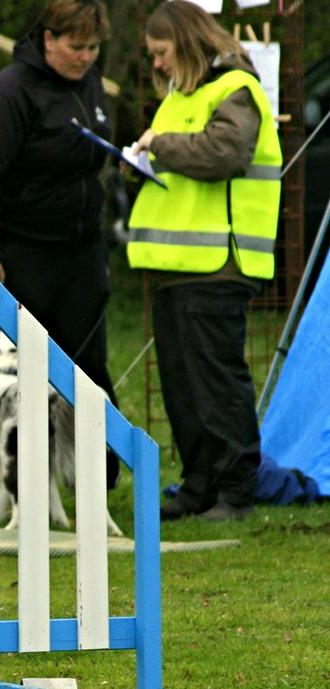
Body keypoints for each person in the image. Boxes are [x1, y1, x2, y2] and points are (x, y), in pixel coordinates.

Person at [127, 1, 281, 522]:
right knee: (181, 383)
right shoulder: (182, 96)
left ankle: (235, 491)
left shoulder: (236, 88)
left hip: (220, 263)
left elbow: (226, 153)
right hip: (178, 265)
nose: (158, 66)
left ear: (188, 43)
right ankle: (198, 486)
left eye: (162, 53)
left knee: (216, 383)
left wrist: (161, 144)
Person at [0, 0, 118, 487]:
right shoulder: (11, 91)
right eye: (76, 47)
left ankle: (98, 475)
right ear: (48, 38)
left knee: (89, 363)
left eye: (93, 47)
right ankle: (14, 477)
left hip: (81, 248)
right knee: (26, 369)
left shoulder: (90, 83)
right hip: (24, 252)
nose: (86, 57)